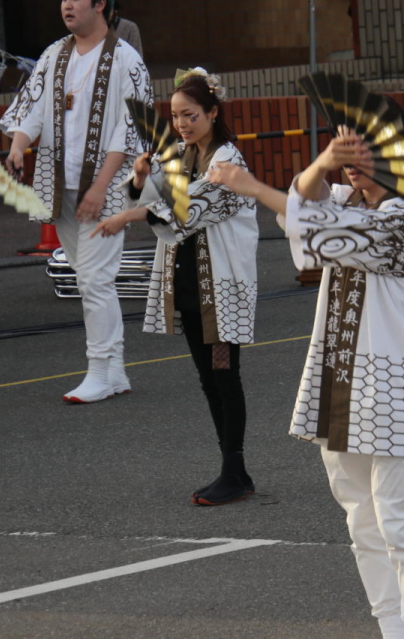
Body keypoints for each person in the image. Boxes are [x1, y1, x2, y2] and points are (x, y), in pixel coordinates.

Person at [209, 128, 404, 639]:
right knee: (360, 519)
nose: (351, 167)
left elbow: (319, 228)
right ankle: (391, 628)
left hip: (395, 381)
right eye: (348, 157)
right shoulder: (342, 198)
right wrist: (323, 161)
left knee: (400, 523)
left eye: (364, 156)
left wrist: (247, 184)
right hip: (339, 376)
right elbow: (306, 197)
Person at [94, 69, 258, 506]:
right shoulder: (181, 156)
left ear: (212, 113)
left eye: (190, 115)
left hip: (220, 288)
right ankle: (234, 470)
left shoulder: (228, 162)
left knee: (225, 376)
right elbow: (151, 201)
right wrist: (138, 177)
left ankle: (234, 469)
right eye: (176, 116)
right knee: (208, 378)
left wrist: (128, 215)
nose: (182, 124)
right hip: (189, 283)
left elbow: (185, 210)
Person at [0, 0, 152, 404]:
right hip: (60, 183)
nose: (67, 5)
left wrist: (102, 186)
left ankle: (99, 370)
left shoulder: (126, 59)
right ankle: (115, 370)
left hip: (107, 185)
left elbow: (133, 130)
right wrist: (18, 145)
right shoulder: (53, 55)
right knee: (88, 276)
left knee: (96, 279)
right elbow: (30, 108)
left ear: (100, 4)